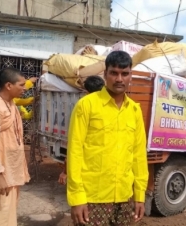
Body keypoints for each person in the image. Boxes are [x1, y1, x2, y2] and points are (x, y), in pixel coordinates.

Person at [67, 51, 148, 226]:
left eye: (124, 73)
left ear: (130, 76)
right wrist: (77, 198)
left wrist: (140, 195)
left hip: (125, 198)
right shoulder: (87, 105)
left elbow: (139, 155)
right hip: (92, 198)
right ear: (105, 75)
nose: (119, 79)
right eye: (114, 73)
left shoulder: (134, 110)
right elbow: (74, 151)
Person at [0, 67, 30, 226]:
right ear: (9, 85)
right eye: (21, 85)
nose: (24, 88)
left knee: (8, 217)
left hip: (12, 172)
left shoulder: (11, 104)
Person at [58, 75, 105, 185]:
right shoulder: (111, 105)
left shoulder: (84, 105)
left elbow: (76, 141)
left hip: (88, 165)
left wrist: (66, 171)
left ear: (86, 91)